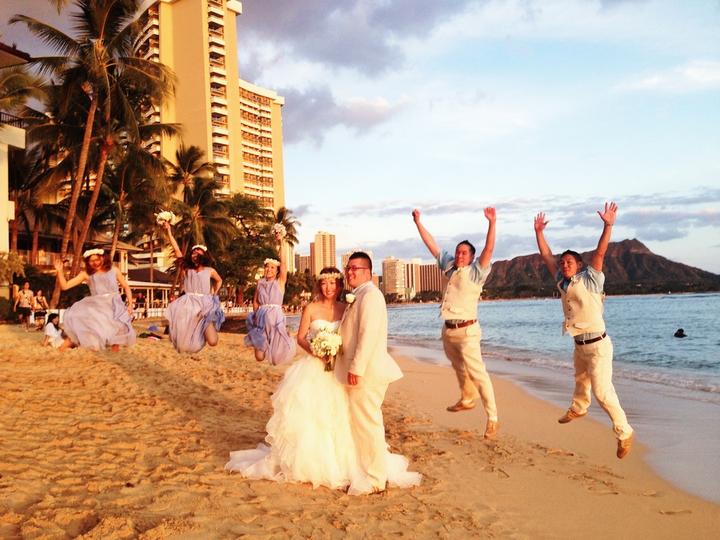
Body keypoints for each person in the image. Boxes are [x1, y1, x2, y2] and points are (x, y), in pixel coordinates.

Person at [226, 266, 421, 495]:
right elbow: (300, 337)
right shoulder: (311, 308)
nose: (329, 288)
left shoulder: (346, 307)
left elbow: (354, 335)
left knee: (341, 417)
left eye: (333, 283)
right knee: (313, 417)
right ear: (319, 286)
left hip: (338, 368)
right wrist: (316, 350)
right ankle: (311, 465)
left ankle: (347, 463)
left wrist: (338, 351)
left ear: (339, 286)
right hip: (314, 368)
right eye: (324, 283)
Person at [534, 201, 634, 459]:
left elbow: (600, 254)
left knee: (602, 391)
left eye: (569, 261)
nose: (564, 264)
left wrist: (608, 226)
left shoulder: (591, 279)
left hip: (598, 345)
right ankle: (579, 408)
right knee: (581, 380)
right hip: (579, 345)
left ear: (579, 265)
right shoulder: (562, 281)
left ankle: (624, 432)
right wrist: (539, 233)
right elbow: (547, 256)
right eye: (563, 262)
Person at [336, 251, 422, 494]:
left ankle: (375, 479)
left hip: (367, 372)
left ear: (368, 272)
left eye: (355, 268)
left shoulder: (371, 296)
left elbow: (369, 334)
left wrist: (357, 368)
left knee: (368, 423)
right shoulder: (359, 295)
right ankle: (367, 470)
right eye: (348, 268)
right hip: (360, 369)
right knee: (361, 423)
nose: (349, 272)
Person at [412, 207, 499, 439]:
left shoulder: (476, 272)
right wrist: (418, 222)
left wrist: (492, 222)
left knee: (478, 373)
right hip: (448, 329)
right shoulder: (449, 266)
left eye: (464, 253)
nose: (460, 255)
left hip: (468, 330)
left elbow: (489, 249)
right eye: (458, 252)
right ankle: (468, 398)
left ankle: (492, 418)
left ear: (471, 257)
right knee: (458, 366)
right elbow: (431, 245)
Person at [53, 249, 136, 352]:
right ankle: (62, 349)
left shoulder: (114, 270)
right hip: (98, 307)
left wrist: (130, 304)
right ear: (87, 262)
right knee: (87, 328)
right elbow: (65, 286)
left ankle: (115, 353)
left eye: (97, 259)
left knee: (118, 329)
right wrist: (60, 271)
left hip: (115, 304)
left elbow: (126, 287)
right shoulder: (86, 274)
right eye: (91, 261)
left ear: (103, 258)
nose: (95, 263)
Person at [163, 222, 225, 354]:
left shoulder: (210, 270)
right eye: (193, 252)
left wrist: (214, 293)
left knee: (213, 341)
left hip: (205, 305)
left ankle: (203, 330)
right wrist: (169, 232)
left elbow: (219, 280)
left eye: (198, 252)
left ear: (204, 255)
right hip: (189, 304)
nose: (195, 254)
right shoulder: (187, 269)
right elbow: (177, 250)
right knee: (184, 344)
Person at [244, 232, 296, 364]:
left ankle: (285, 337)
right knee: (259, 357)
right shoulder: (260, 283)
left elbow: (284, 264)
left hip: (275, 318)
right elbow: (255, 301)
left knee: (276, 358)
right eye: (267, 267)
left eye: (272, 268)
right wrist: (256, 314)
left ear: (277, 271)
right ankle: (265, 344)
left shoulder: (280, 282)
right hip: (261, 318)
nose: (269, 270)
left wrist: (281, 242)